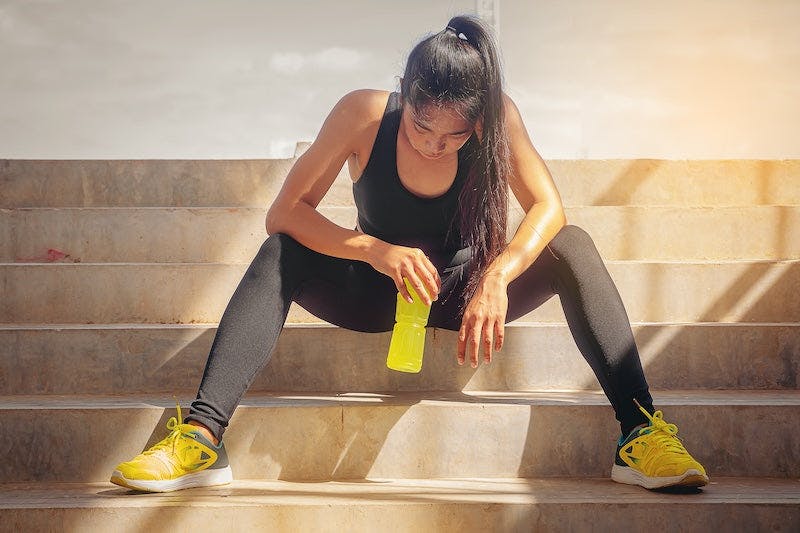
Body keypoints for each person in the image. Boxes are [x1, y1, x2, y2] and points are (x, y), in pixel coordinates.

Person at [110, 14, 708, 493]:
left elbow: (549, 207)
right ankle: (202, 436)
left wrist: (498, 275)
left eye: (455, 136)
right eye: (423, 129)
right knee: (281, 252)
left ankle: (639, 433)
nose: (434, 146)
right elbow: (286, 211)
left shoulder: (497, 118)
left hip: (464, 292)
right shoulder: (363, 115)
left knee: (572, 245)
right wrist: (374, 250)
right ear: (404, 95)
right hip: (375, 290)